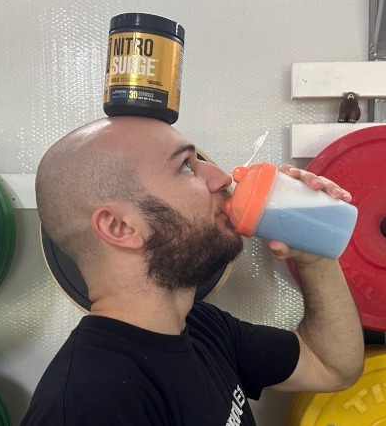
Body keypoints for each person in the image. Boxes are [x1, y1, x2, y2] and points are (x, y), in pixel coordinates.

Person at [21, 116, 364, 425]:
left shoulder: (202, 326)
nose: (221, 177)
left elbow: (330, 366)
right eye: (186, 166)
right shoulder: (89, 405)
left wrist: (314, 254)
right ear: (120, 226)